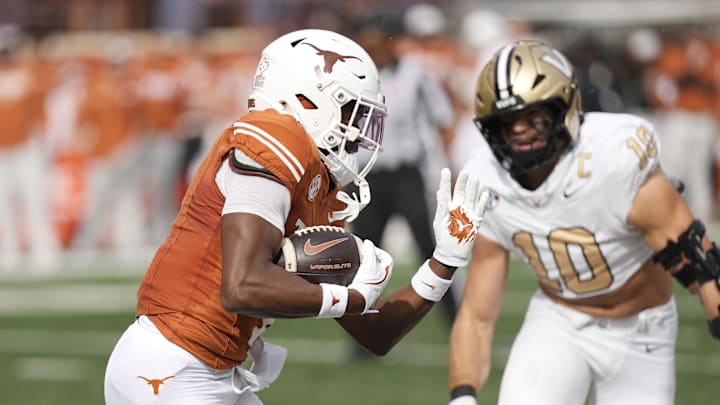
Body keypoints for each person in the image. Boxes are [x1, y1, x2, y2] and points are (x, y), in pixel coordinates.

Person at [104, 28, 489, 405]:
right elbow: (241, 285)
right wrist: (345, 297)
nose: (358, 135)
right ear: (308, 99)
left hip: (213, 371)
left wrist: (444, 262)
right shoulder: (273, 136)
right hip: (169, 368)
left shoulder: (318, 185)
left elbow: (376, 332)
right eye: (352, 112)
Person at [447, 40, 720, 405]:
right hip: (558, 321)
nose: (521, 132)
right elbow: (477, 315)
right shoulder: (486, 182)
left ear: (564, 109)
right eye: (507, 123)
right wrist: (462, 396)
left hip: (642, 328)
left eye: (534, 117)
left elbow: (699, 262)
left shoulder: (614, 157)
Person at [351, 21, 457, 322]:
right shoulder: (353, 79)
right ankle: (363, 331)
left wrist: (449, 168)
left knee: (429, 248)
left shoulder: (416, 75)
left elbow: (442, 119)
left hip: (406, 174)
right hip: (368, 176)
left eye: (374, 41)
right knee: (365, 257)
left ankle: (455, 320)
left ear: (389, 41)